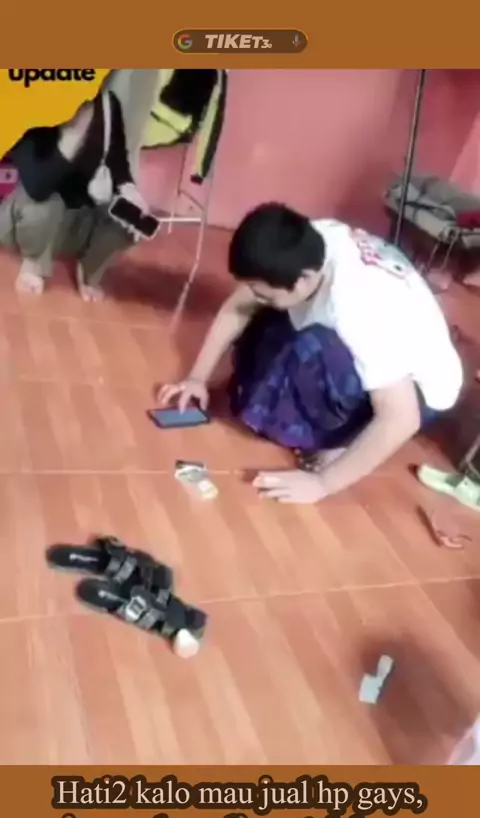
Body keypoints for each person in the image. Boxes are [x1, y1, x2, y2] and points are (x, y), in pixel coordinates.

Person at [158, 203, 464, 504]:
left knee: (311, 347)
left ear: (304, 278)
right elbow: (239, 305)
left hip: (418, 394)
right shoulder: (311, 241)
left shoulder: (359, 307)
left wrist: (322, 484)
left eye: (266, 294)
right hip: (370, 351)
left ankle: (346, 442)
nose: (257, 297)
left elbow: (401, 417)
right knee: (267, 326)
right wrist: (197, 378)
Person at [0, 85, 148, 301]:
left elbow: (117, 163)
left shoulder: (107, 103)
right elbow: (36, 187)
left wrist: (130, 191)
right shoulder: (28, 102)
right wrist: (71, 140)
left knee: (131, 218)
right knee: (46, 202)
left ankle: (90, 268)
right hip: (24, 220)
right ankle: (34, 264)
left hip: (77, 220)